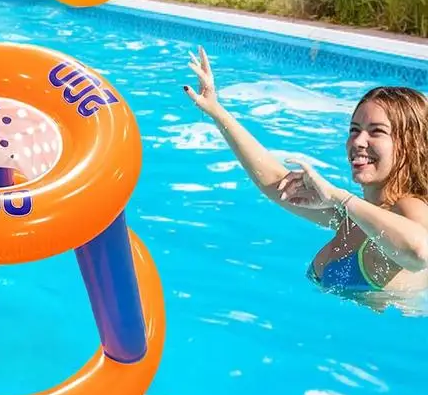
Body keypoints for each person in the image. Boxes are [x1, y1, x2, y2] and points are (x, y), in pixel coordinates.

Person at [183, 46, 428, 295]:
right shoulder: (359, 215)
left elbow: (419, 251)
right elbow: (277, 184)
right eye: (354, 129)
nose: (358, 141)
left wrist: (339, 197)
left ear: (410, 146)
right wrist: (216, 111)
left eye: (376, 131)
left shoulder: (409, 207)